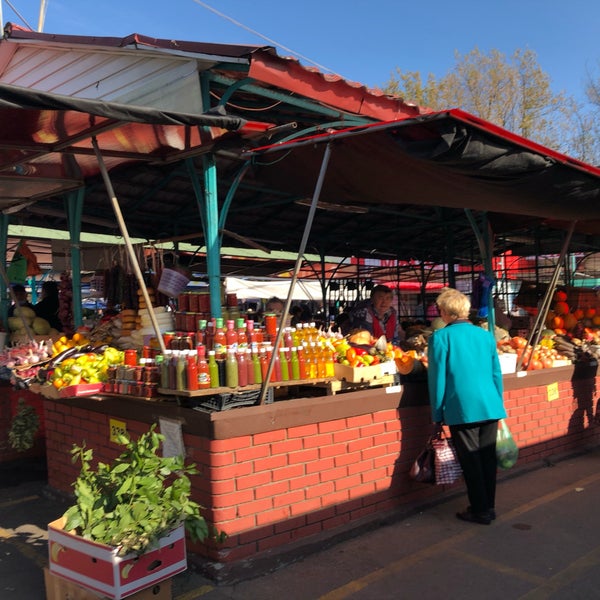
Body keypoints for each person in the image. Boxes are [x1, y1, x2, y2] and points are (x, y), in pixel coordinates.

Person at [427, 288, 507, 525]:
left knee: (471, 460)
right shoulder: (485, 336)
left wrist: (437, 413)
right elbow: (496, 373)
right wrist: (497, 402)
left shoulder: (440, 338)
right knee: (487, 459)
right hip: (489, 404)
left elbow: (437, 379)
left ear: (445, 312)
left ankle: (480, 510)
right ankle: (488, 506)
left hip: (462, 407)